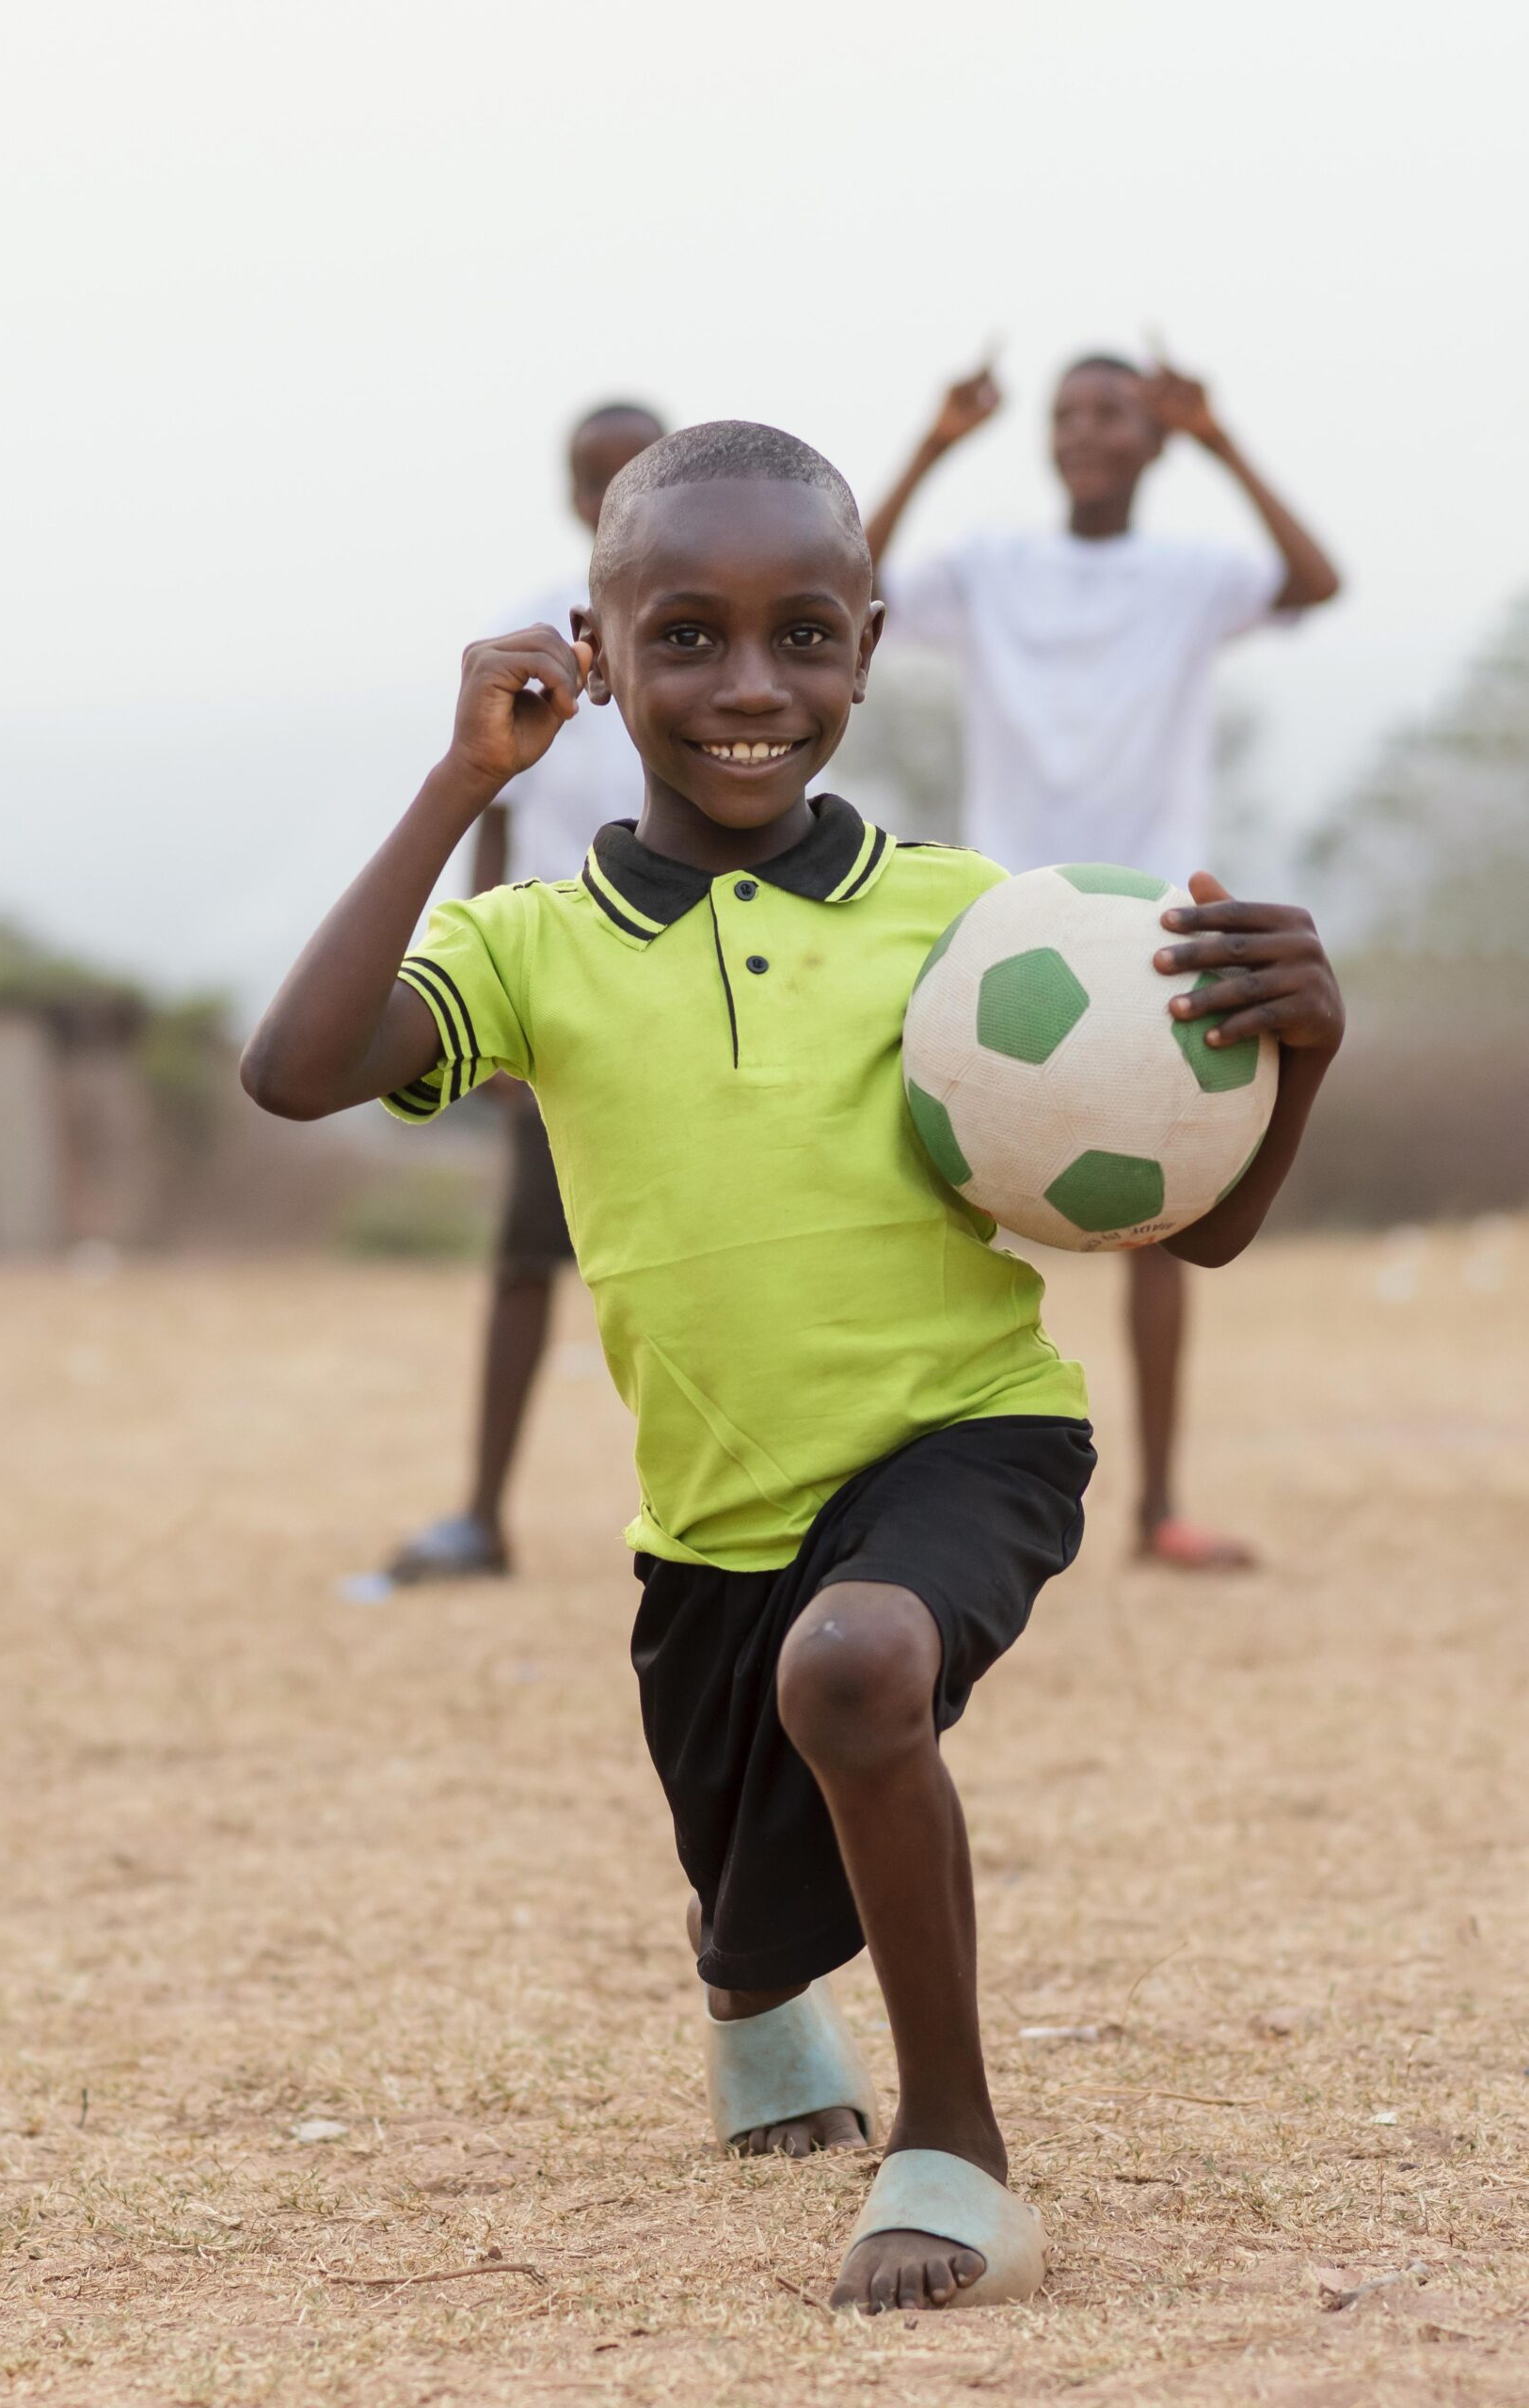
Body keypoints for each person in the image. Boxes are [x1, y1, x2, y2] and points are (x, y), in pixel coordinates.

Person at [242, 422, 1344, 2311]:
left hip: (966, 1440)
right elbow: (299, 1065)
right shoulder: (533, 945)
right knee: (749, 1899)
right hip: (713, 1516)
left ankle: (957, 2143)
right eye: (685, 637)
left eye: (803, 637)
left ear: (867, 645)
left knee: (859, 1667)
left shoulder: (977, 922)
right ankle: (754, 1992)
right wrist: (461, 778)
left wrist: (1297, 1057)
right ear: (592, 649)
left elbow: (1194, 1227)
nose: (749, 688)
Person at [866, 351, 1342, 1570]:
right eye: (1066, 413)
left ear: (1153, 439)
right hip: (998, 914)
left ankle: (1158, 1506)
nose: (1083, 431)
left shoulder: (1192, 576)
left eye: (1112, 414)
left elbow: (1314, 580)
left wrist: (1224, 435)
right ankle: (897, 1489)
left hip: (1156, 915)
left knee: (1170, 1180)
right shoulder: (989, 567)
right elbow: (847, 585)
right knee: (922, 1189)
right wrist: (930, 440)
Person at [387, 400, 664, 1583]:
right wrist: (488, 1000)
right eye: (592, 480)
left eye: (633, 476)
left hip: (709, 976)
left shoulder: (714, 624)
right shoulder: (533, 631)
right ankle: (483, 1512)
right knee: (523, 1256)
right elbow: (492, 823)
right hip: (568, 993)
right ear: (568, 495)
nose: (610, 498)